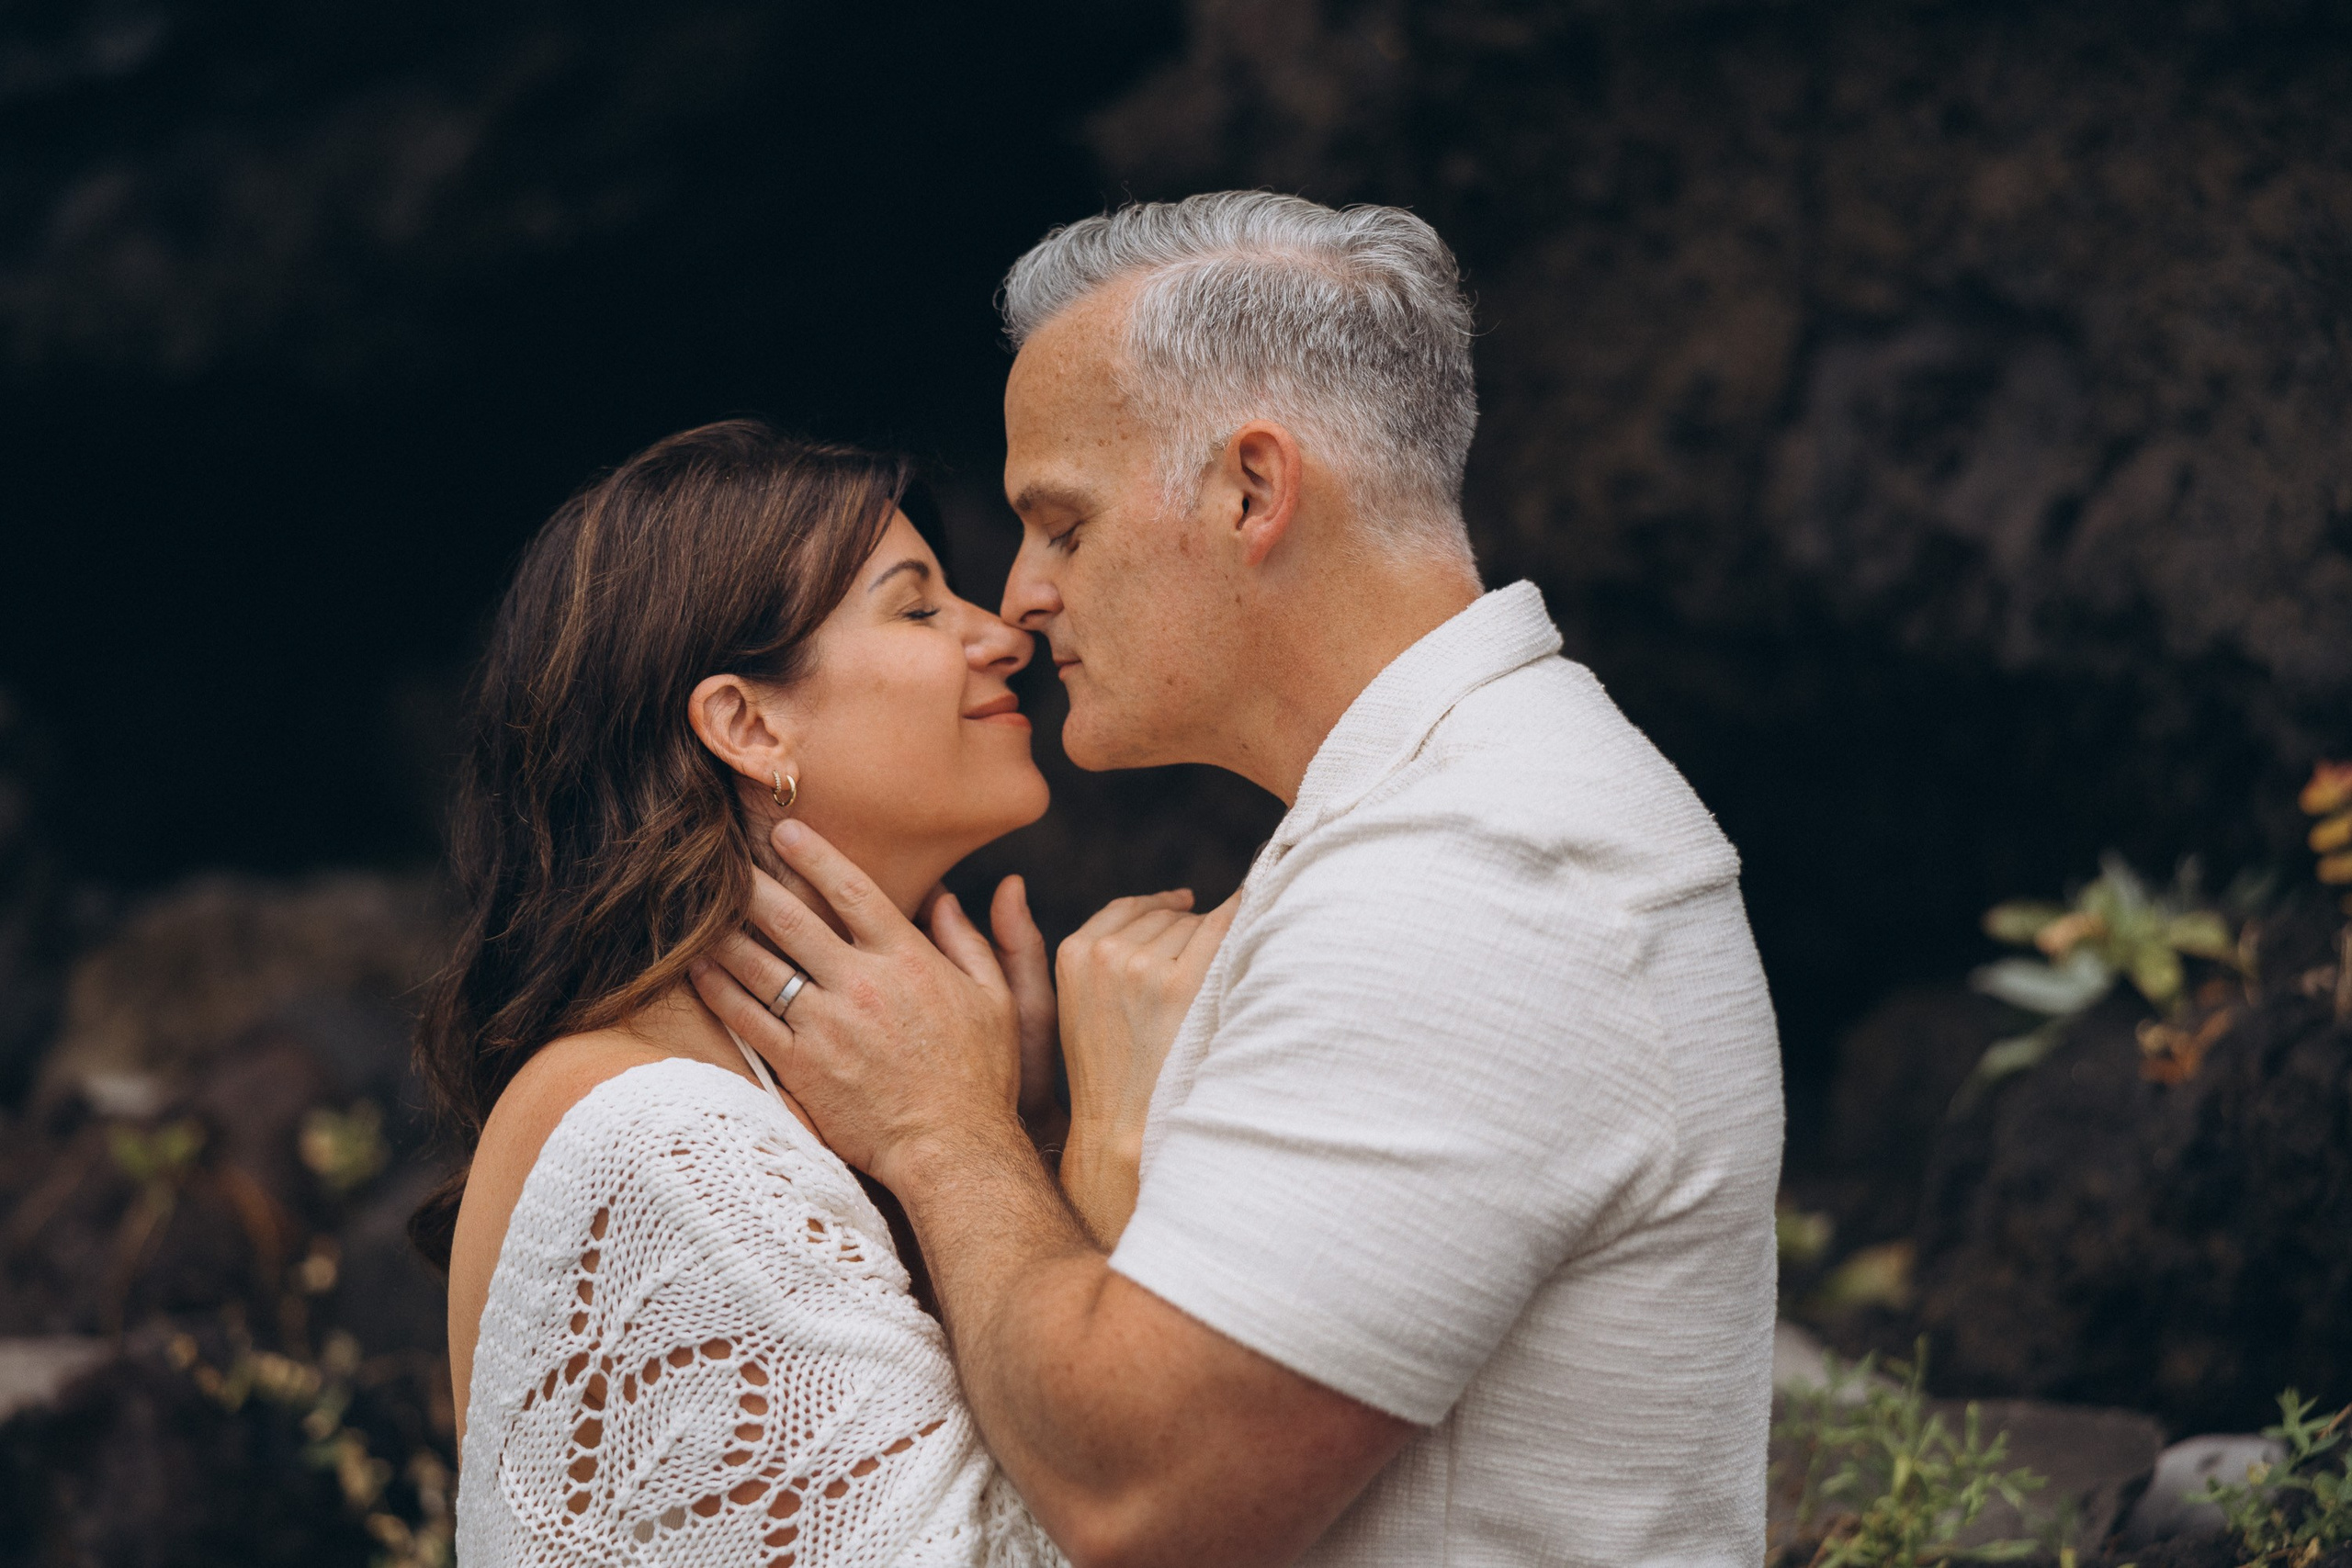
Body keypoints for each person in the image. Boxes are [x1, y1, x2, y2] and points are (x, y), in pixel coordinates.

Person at [694, 192, 1787, 1567]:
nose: (1020, 598)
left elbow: (1148, 1498)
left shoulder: (1476, 880)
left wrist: (941, 1129)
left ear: (1252, 491)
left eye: (1064, 523)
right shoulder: (1448, 818)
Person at [413, 422, 1170, 1565]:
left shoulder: (740, 1105)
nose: (1001, 633)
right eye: (917, 608)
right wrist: (1094, 1143)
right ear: (746, 723)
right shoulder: (666, 1138)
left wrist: (1000, 1124)